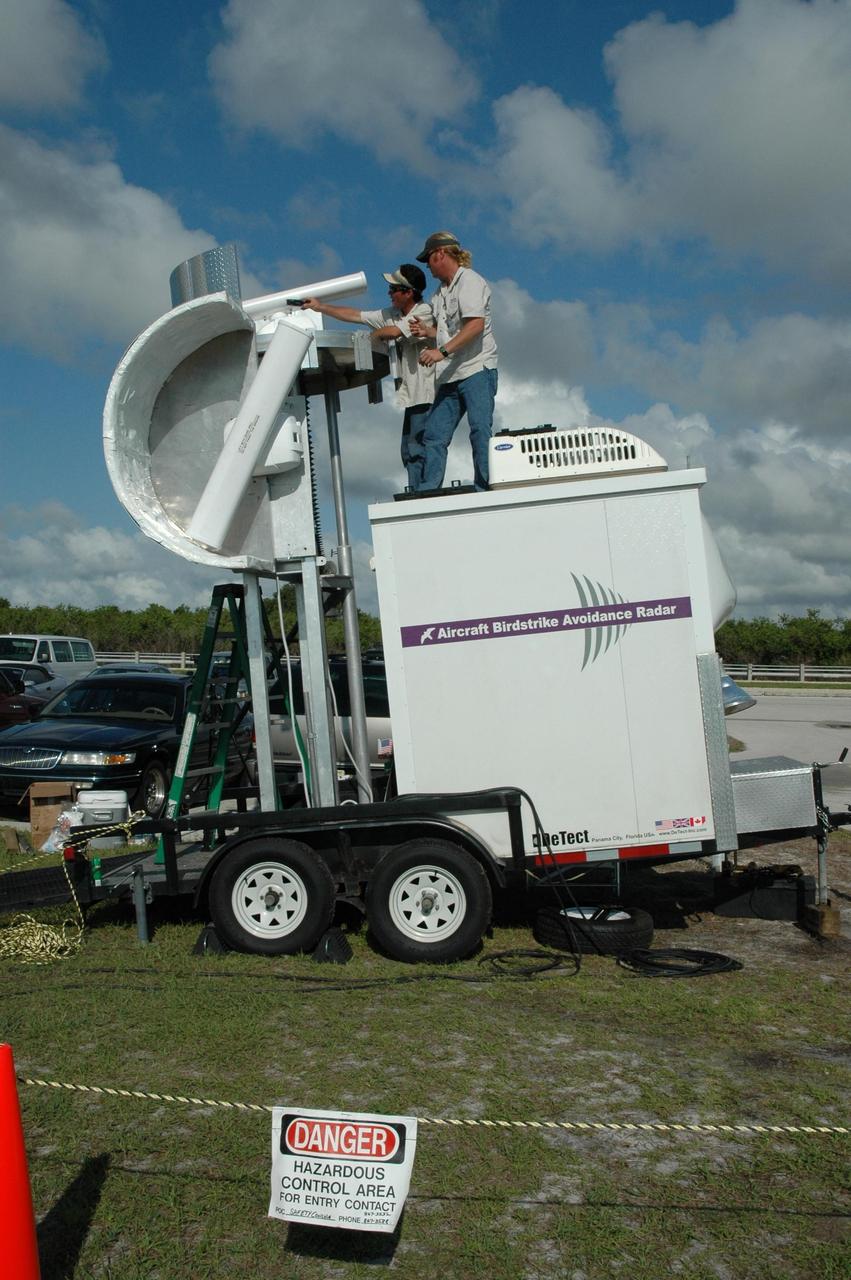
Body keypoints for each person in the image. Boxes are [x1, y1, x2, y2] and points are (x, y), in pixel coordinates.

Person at [300, 265, 435, 489]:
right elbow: (355, 315)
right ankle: (416, 489)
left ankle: (424, 492)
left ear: (408, 291)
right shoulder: (391, 314)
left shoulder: (424, 312)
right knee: (408, 448)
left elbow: (394, 332)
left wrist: (373, 337)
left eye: (394, 288)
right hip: (412, 393)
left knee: (418, 446)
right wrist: (320, 307)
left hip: (427, 391)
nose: (389, 293)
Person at [412, 230, 498, 491]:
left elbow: (474, 326)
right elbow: (446, 326)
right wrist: (428, 332)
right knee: (434, 435)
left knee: (480, 429)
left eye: (428, 258)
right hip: (452, 374)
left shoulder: (469, 281)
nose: (427, 265)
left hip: (477, 369)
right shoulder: (440, 293)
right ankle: (429, 490)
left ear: (441, 254)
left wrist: (441, 352)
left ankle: (486, 488)